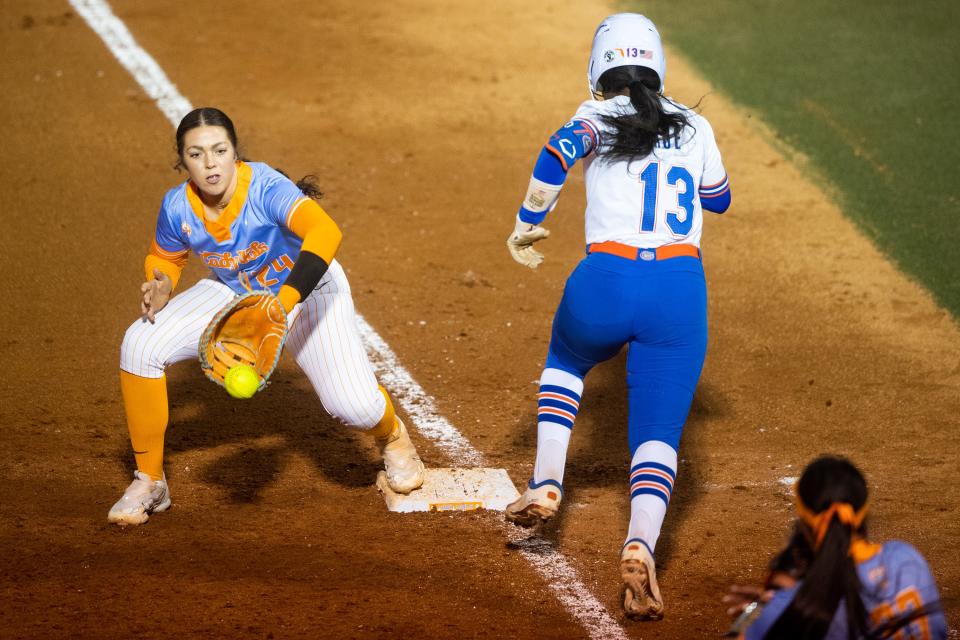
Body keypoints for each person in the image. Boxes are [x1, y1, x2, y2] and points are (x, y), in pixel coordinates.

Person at [502, 13, 731, 620]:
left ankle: (548, 480)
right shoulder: (697, 125)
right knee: (659, 433)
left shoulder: (596, 116)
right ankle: (639, 544)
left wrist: (527, 223)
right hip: (679, 293)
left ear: (599, 66)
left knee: (568, 359)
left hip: (606, 281)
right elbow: (721, 199)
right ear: (656, 63)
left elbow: (556, 153)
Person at [108, 107, 425, 526]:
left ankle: (392, 437)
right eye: (196, 154)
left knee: (356, 408)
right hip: (237, 291)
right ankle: (149, 480)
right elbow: (165, 256)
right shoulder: (177, 206)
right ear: (182, 161)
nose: (210, 164)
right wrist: (161, 281)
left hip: (309, 290)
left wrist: (284, 302)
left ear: (235, 153)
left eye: (219, 150)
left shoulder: (264, 187)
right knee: (140, 342)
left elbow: (326, 233)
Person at [724, 456, 946, 639]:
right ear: (864, 512)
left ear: (803, 525)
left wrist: (754, 616)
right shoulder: (905, 559)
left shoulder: (794, 612)